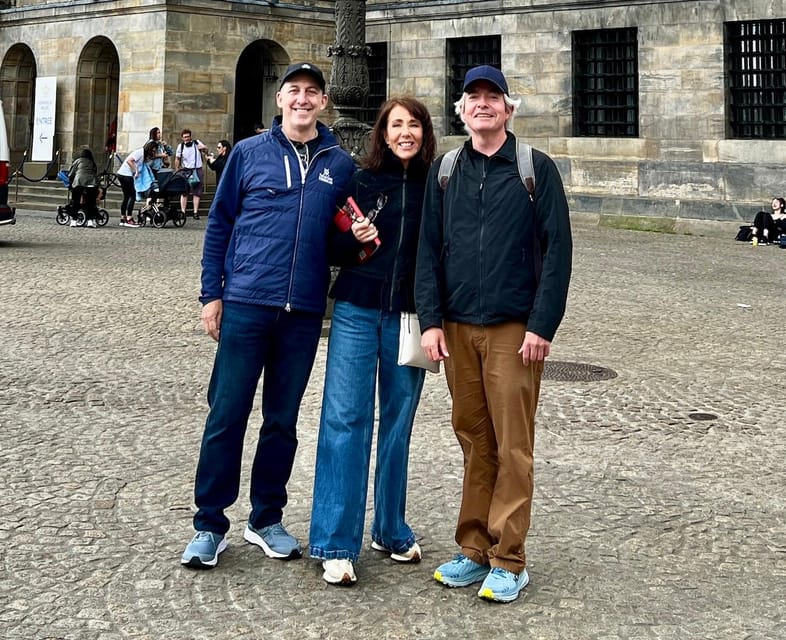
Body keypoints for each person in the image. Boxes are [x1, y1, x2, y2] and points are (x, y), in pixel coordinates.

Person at [180, 62, 356, 570]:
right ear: (279, 100)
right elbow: (220, 224)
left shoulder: (338, 164)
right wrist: (211, 294)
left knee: (281, 421)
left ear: (324, 103)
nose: (302, 99)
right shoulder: (249, 154)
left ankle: (266, 517)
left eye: (312, 92)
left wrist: (357, 242)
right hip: (246, 304)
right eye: (293, 91)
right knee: (226, 414)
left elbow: (338, 237)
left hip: (301, 311)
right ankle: (210, 523)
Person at [415, 65, 573, 603]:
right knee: (474, 440)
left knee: (513, 445)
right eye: (472, 97)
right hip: (458, 327)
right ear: (461, 110)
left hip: (513, 329)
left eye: (493, 97)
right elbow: (428, 252)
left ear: (508, 109)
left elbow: (557, 254)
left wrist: (542, 326)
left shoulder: (535, 170)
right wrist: (431, 321)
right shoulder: (446, 171)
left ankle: (509, 558)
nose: (482, 105)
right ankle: (473, 547)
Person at [309, 97, 437, 586]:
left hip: (410, 316)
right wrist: (355, 239)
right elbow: (331, 243)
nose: (406, 132)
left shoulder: (436, 187)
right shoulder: (359, 182)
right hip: (357, 310)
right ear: (382, 134)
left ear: (425, 134)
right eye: (396, 125)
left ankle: (389, 527)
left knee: (398, 422)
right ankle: (336, 542)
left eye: (414, 125)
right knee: (345, 417)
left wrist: (436, 319)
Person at [115, 141, 157, 228]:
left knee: (126, 197)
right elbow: (129, 161)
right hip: (126, 175)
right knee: (132, 196)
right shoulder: (140, 152)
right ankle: (129, 218)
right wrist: (136, 170)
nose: (153, 152)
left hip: (121, 174)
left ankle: (123, 218)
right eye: (152, 150)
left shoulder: (143, 154)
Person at [174, 128, 208, 219]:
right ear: (182, 138)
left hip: (197, 169)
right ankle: (183, 212)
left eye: (188, 136)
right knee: (184, 192)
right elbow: (177, 158)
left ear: (190, 136)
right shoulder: (180, 146)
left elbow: (206, 151)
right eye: (185, 137)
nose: (187, 138)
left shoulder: (197, 143)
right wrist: (177, 170)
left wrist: (204, 148)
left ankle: (195, 212)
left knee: (197, 192)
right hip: (186, 170)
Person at [67, 148, 99, 228]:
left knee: (76, 201)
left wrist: (71, 183)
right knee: (91, 202)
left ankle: (74, 221)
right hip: (91, 183)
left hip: (79, 182)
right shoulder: (92, 162)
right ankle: (90, 221)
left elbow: (71, 173)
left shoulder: (78, 161)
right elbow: (95, 172)